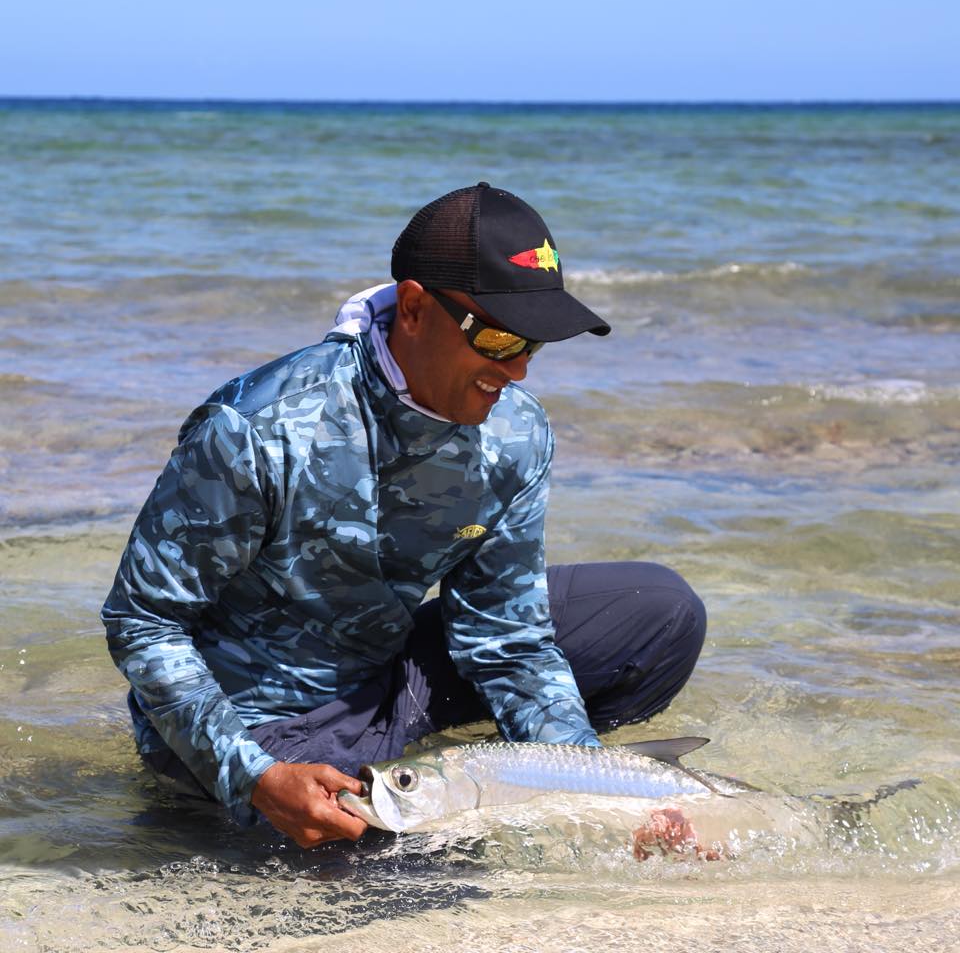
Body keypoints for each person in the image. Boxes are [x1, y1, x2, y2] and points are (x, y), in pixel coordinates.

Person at [102, 183, 706, 848]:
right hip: (263, 721)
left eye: (536, 343)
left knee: (660, 614)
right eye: (501, 338)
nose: (521, 371)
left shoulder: (517, 431)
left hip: (391, 678)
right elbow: (144, 621)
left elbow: (507, 634)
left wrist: (593, 789)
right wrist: (252, 776)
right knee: (438, 886)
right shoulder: (256, 429)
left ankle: (462, 779)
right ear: (415, 308)